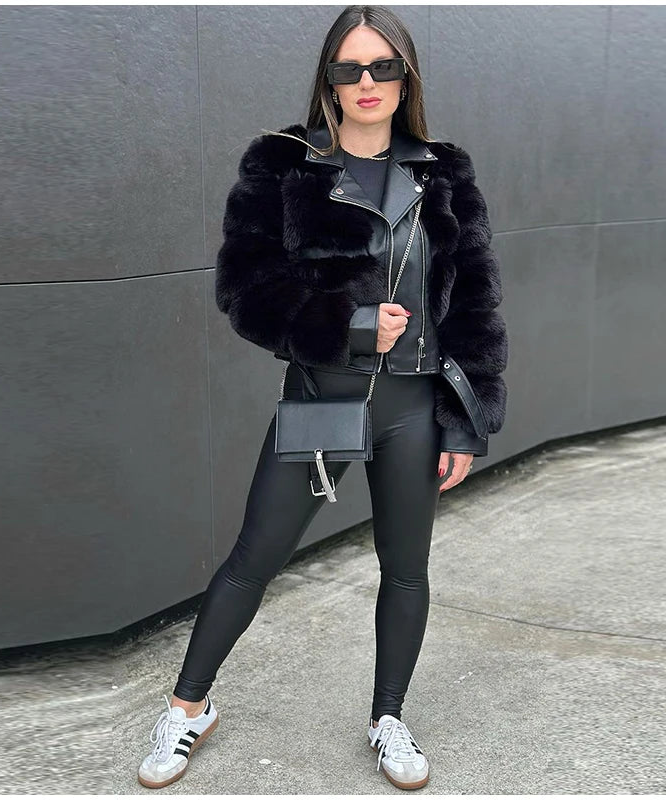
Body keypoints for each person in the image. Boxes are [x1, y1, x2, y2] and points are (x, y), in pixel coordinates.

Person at [137, 4, 508, 792]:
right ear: (328, 79)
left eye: (383, 66)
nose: (366, 82)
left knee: (406, 568)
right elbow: (246, 289)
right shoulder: (282, 163)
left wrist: (467, 422)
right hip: (321, 399)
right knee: (251, 560)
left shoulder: (444, 170)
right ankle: (188, 708)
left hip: (414, 406)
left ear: (406, 76)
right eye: (349, 67)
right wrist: (351, 322)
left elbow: (473, 302)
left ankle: (389, 718)